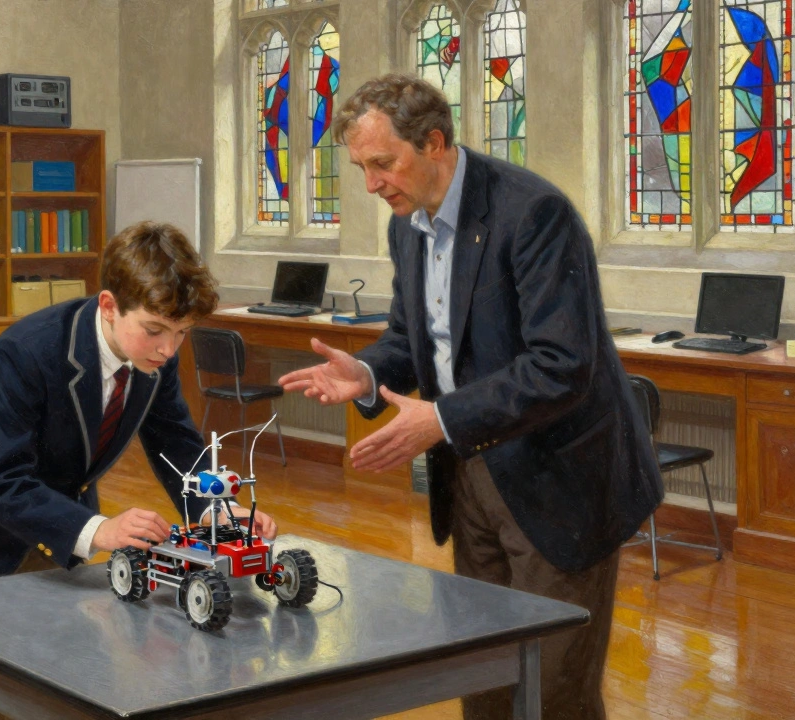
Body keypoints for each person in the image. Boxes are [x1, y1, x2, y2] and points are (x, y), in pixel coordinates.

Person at [278, 74, 663, 720]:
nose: (372, 185)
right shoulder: (408, 227)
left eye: (383, 164)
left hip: (558, 480)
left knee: (555, 692)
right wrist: (367, 375)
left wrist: (441, 418)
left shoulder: (533, 214)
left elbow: (562, 365)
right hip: (471, 471)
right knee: (481, 671)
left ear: (435, 142)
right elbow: (413, 340)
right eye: (362, 168)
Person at [0, 220, 277, 719]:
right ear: (108, 306)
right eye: (155, 330)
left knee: (55, 684)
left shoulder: (152, 359)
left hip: (54, 527)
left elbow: (176, 443)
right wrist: (101, 528)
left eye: (182, 333)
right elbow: (0, 481)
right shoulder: (24, 353)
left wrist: (218, 510)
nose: (169, 350)